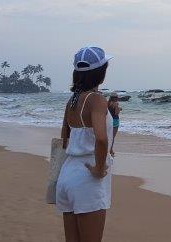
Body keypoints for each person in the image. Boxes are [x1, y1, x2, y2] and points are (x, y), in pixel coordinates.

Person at [56, 46, 114, 242]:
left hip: (67, 174)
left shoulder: (72, 100)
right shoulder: (97, 99)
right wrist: (99, 168)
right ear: (101, 73)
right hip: (87, 179)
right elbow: (100, 138)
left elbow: (65, 137)